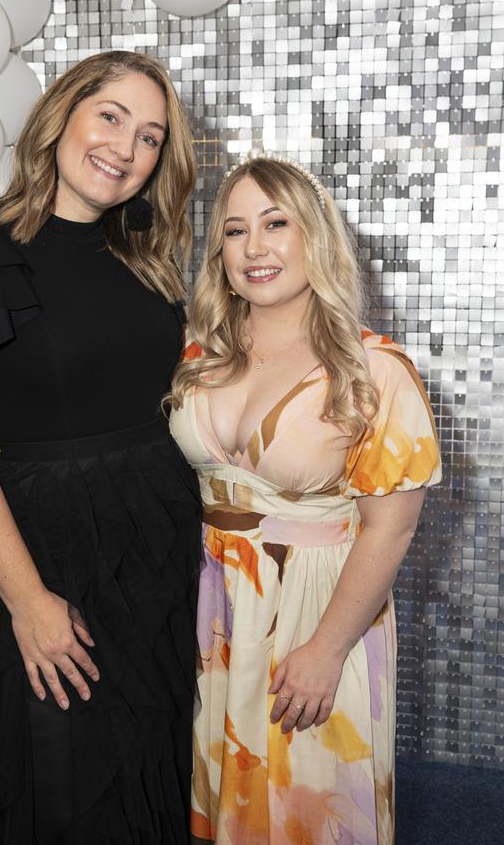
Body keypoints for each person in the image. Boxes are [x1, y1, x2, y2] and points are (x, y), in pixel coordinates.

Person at [0, 50, 203, 844]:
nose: (126, 149)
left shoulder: (145, 259)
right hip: (42, 554)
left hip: (157, 550)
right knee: (61, 786)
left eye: (150, 138)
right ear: (61, 115)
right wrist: (28, 603)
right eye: (110, 117)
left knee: (152, 762)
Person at [168, 154, 441, 845]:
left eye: (275, 222)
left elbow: (391, 530)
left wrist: (327, 648)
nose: (253, 248)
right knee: (215, 794)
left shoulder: (373, 368)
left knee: (309, 806)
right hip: (211, 609)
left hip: (316, 611)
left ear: (313, 235)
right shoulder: (199, 353)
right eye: (233, 231)